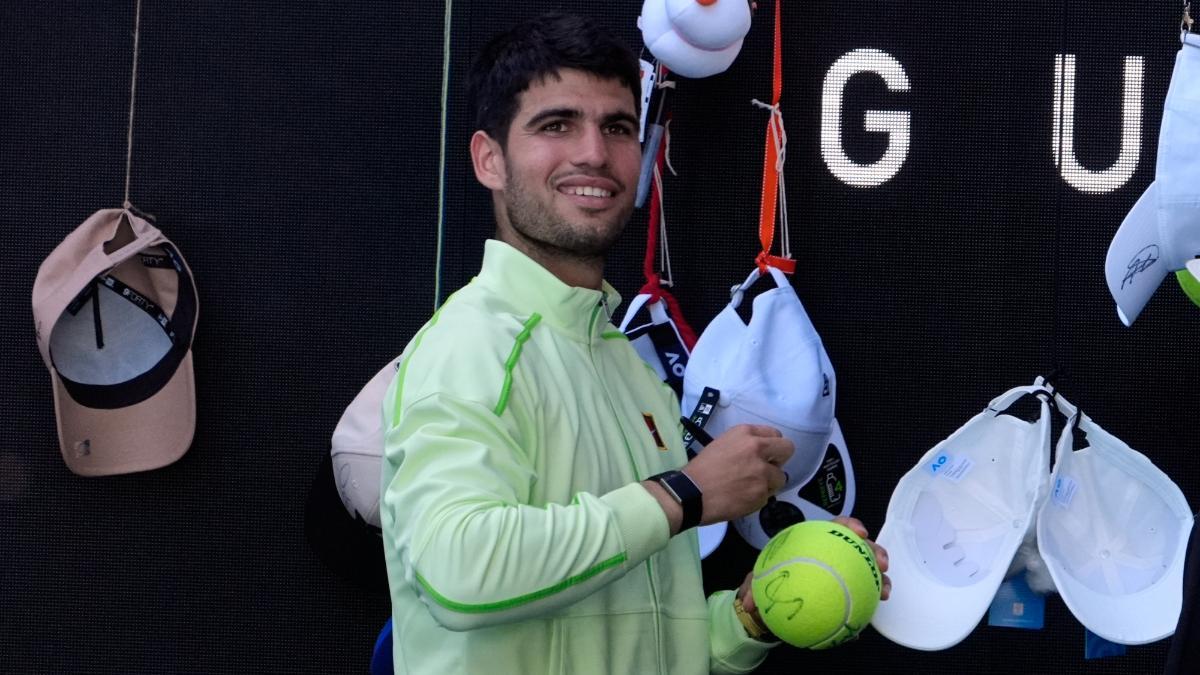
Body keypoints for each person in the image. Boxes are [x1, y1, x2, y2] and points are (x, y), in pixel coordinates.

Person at [380, 12, 889, 674]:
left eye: (617, 127)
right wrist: (686, 493)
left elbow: (643, 630)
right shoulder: (472, 344)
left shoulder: (627, 364)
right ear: (488, 159)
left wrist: (749, 615)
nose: (594, 152)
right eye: (556, 124)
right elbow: (461, 575)